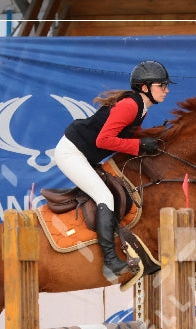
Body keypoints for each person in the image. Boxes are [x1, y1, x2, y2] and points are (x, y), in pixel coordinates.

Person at [54, 60, 172, 280]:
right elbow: (104, 140)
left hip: (85, 153)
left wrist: (152, 137)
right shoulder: (131, 105)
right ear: (145, 87)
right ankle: (110, 262)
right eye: (161, 85)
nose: (166, 90)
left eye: (166, 85)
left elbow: (122, 137)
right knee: (105, 197)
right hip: (71, 153)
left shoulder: (141, 107)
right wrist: (139, 145)